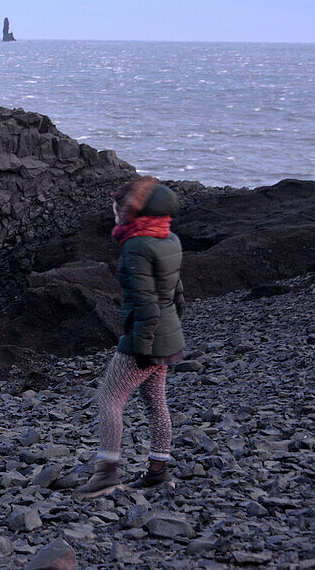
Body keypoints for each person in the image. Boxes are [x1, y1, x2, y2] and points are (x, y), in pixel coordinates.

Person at [75, 176, 186, 498]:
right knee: (156, 403)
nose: (114, 210)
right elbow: (177, 291)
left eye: (118, 206)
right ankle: (158, 472)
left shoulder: (136, 246)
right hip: (167, 337)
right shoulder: (169, 238)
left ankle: (106, 474)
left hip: (145, 339)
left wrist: (144, 347)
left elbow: (146, 302)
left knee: (109, 398)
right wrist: (168, 334)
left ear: (132, 211)